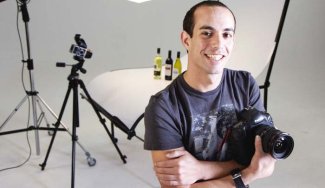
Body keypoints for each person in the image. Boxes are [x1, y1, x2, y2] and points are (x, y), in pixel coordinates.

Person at [144, 1, 276, 187]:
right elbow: (176, 187)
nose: (218, 43)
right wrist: (246, 174)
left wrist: (201, 169)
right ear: (186, 40)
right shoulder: (163, 107)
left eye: (226, 34)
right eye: (207, 33)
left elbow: (263, 157)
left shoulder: (245, 85)